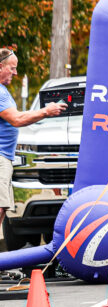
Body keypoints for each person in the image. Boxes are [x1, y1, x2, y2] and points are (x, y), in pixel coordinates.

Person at [0, 48, 67, 230]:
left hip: (4, 157)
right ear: (0, 67)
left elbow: (18, 115)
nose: (15, 73)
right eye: (12, 68)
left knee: (3, 206)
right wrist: (46, 111)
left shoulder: (3, 91)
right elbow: (17, 119)